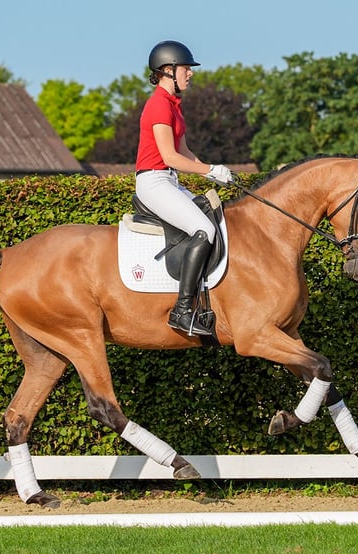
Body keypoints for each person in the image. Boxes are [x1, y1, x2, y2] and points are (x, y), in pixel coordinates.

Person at [135, 40, 235, 337]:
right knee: (205, 231)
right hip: (153, 181)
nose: (190, 74)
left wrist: (213, 171)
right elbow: (169, 157)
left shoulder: (173, 106)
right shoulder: (158, 105)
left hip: (168, 180)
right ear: (168, 70)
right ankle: (181, 311)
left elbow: (184, 151)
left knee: (215, 217)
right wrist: (208, 170)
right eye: (186, 68)